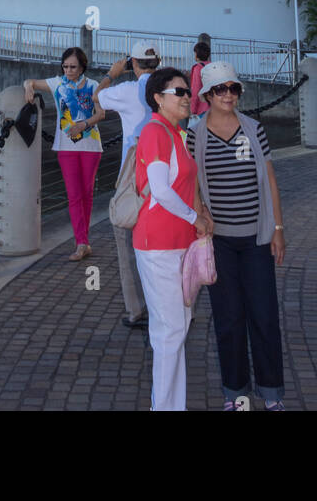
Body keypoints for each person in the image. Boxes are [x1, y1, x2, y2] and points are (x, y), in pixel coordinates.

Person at [188, 61, 287, 411]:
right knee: (229, 319)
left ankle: (272, 394)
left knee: (264, 316)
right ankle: (235, 393)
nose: (228, 95)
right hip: (220, 243)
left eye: (233, 88)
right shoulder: (195, 134)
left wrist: (277, 228)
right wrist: (201, 212)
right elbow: (192, 183)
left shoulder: (254, 129)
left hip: (257, 238)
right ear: (207, 95)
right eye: (220, 89)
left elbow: (270, 180)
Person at [133, 66, 214, 411]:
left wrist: (199, 217)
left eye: (187, 92)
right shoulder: (154, 131)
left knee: (177, 328)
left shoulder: (175, 133)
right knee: (169, 331)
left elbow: (184, 186)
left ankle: (171, 406)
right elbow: (162, 192)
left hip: (180, 244)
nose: (187, 97)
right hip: (158, 244)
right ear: (158, 98)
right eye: (178, 92)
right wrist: (196, 218)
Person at [94, 40, 161, 329]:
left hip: (133, 176)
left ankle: (136, 310)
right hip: (163, 170)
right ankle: (171, 305)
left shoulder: (127, 90)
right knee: (162, 243)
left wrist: (112, 73)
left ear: (133, 64)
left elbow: (96, 97)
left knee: (126, 241)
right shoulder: (167, 90)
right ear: (157, 62)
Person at [24, 47, 103, 260]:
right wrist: (28, 87)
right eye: (65, 66)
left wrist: (83, 125)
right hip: (66, 148)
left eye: (73, 67)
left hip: (91, 147)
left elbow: (101, 114)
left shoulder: (94, 85)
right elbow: (30, 80)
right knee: (74, 196)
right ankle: (81, 242)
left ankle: (84, 241)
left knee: (87, 195)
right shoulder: (57, 83)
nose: (68, 70)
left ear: (82, 67)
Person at [189, 36, 212, 118]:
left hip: (202, 109)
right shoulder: (212, 66)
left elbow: (196, 90)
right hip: (214, 107)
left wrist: (193, 109)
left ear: (197, 54)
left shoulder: (198, 68)